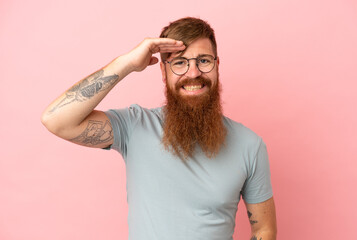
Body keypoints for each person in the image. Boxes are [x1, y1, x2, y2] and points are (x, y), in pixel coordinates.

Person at [41, 17, 277, 240]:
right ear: (163, 72)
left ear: (217, 66)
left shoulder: (250, 145)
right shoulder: (134, 126)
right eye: (179, 63)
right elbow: (56, 120)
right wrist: (127, 63)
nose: (193, 73)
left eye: (203, 60)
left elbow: (264, 228)